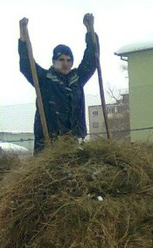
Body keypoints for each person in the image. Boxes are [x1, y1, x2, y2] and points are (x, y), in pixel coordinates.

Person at [18, 14, 98, 154]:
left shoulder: (77, 79)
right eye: (61, 59)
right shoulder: (44, 79)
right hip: (48, 142)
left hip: (74, 140)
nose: (65, 63)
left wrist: (90, 31)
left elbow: (91, 59)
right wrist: (23, 36)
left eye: (68, 60)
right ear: (54, 61)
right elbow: (26, 64)